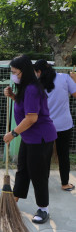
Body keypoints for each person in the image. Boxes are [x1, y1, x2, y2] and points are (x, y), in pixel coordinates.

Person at [4, 55, 57, 224]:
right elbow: (25, 106)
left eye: (15, 72)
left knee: (38, 174)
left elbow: (32, 118)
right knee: (23, 170)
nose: (13, 75)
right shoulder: (26, 87)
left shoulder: (32, 89)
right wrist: (13, 96)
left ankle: (43, 209)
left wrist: (13, 133)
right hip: (29, 137)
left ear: (24, 72)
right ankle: (14, 200)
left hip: (40, 137)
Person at [34, 60, 76, 191]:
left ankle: (43, 185)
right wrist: (74, 80)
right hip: (64, 124)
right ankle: (65, 183)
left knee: (44, 155)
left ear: (39, 71)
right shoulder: (65, 78)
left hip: (45, 125)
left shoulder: (36, 84)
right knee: (63, 154)